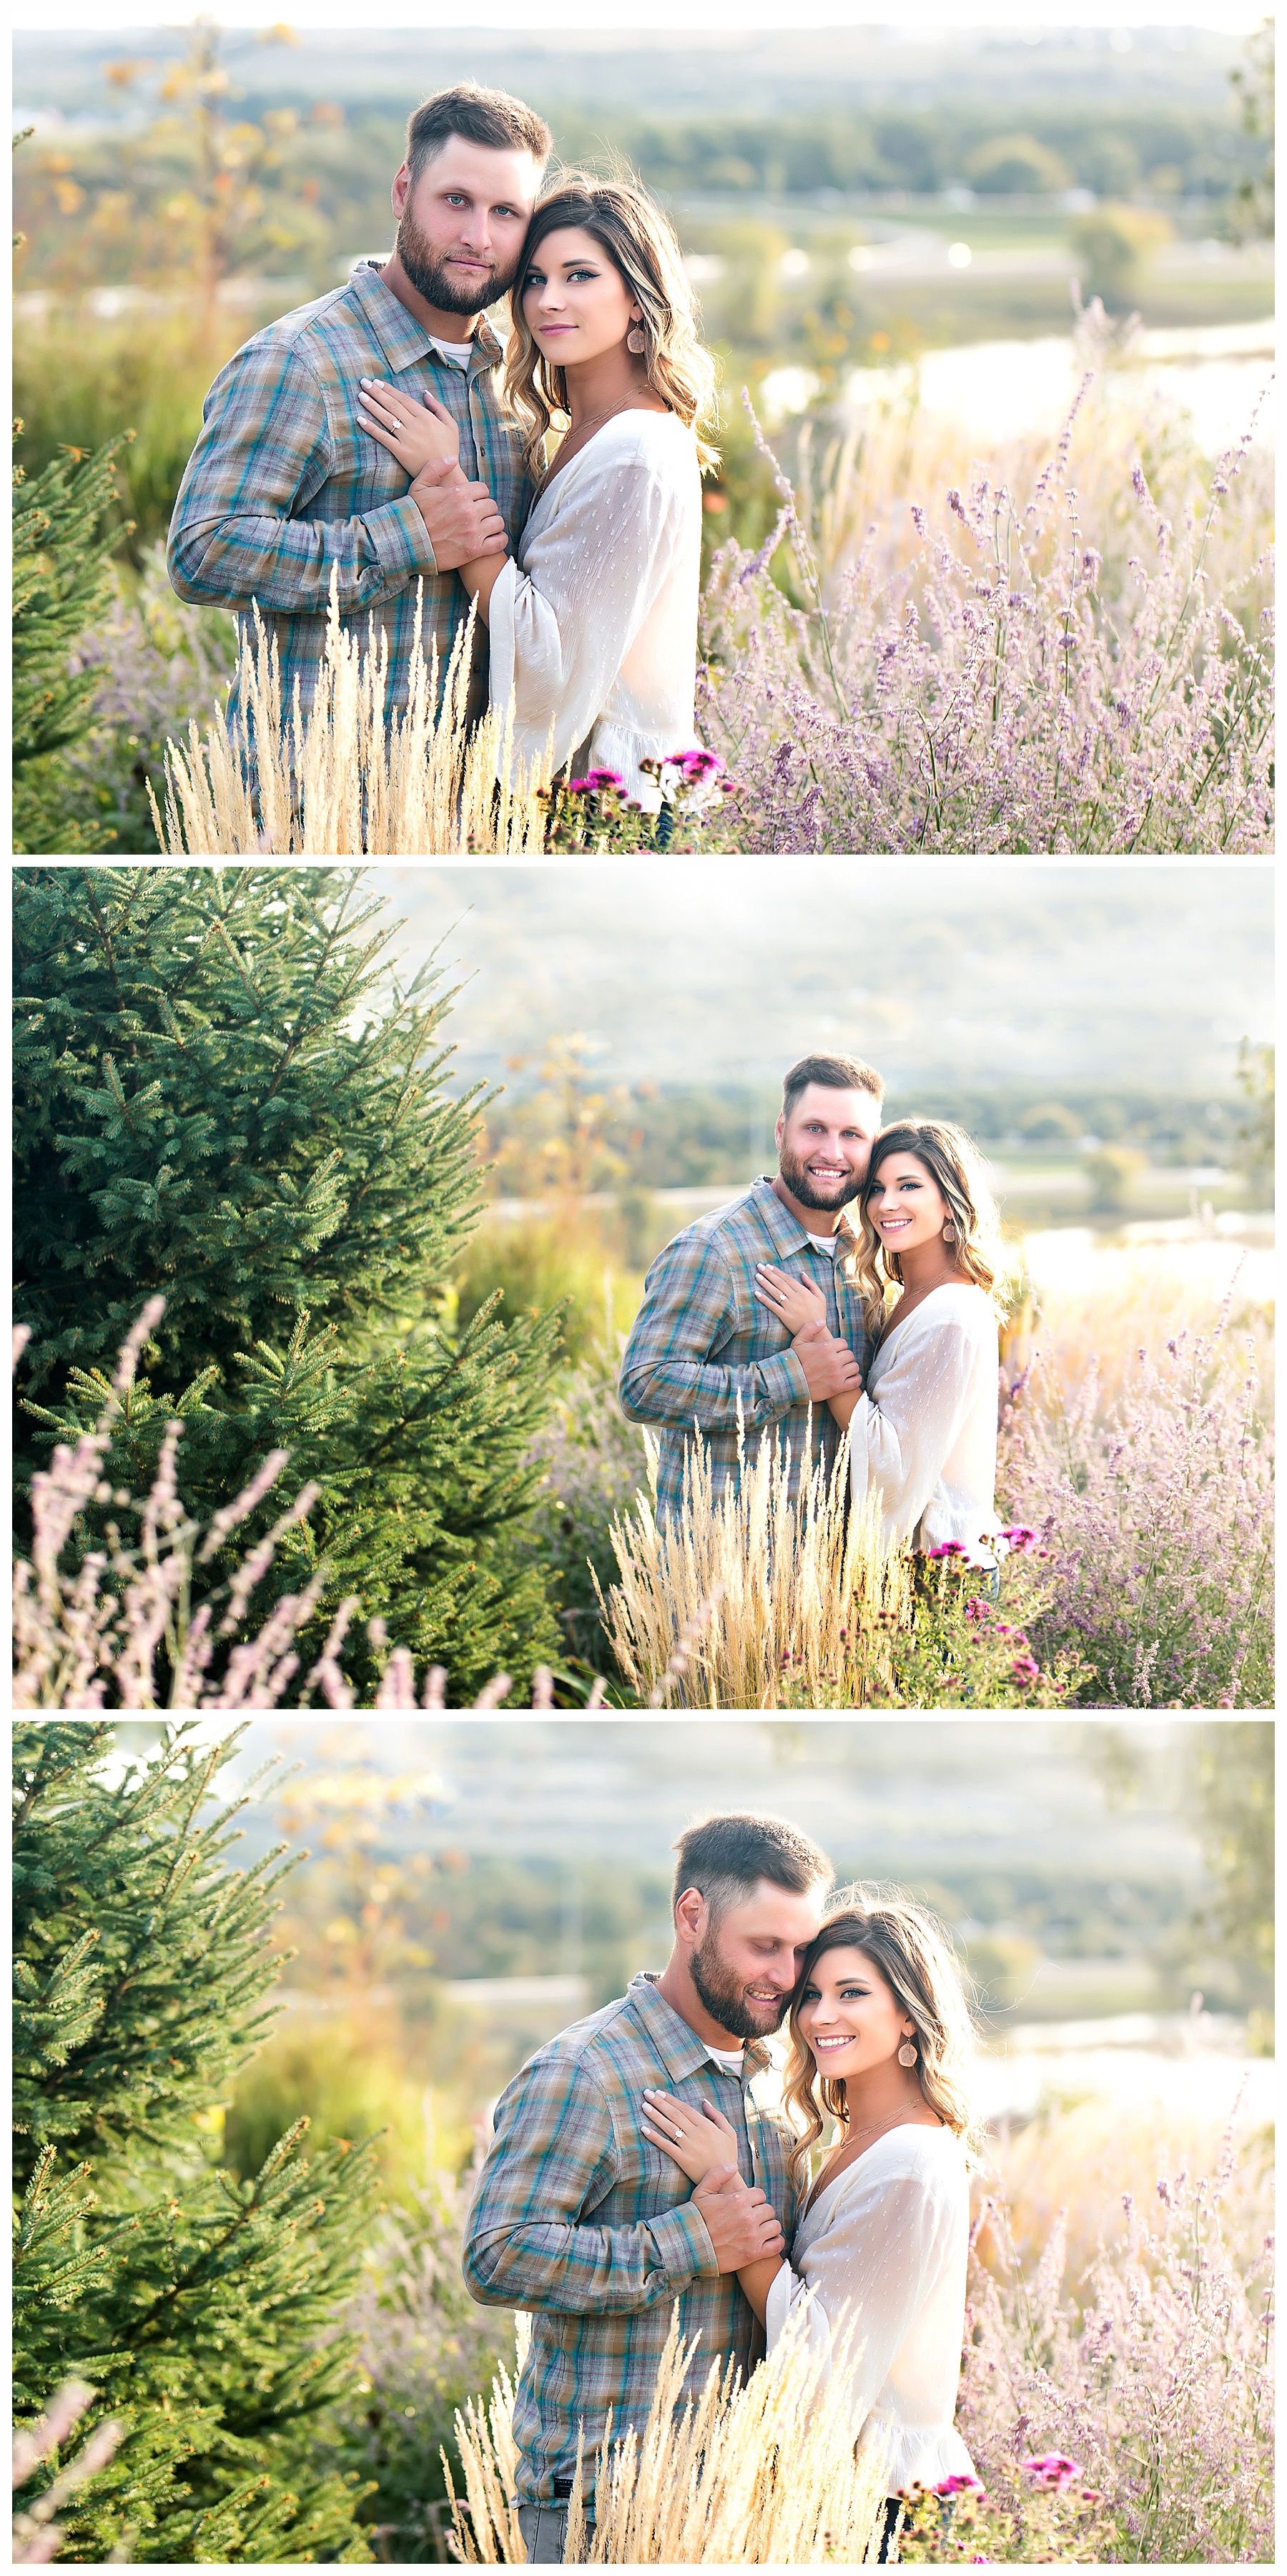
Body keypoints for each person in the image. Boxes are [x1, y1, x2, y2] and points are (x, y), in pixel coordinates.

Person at [461, 1814, 833, 2564]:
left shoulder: (773, 2079)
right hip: (600, 2515)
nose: (788, 1975)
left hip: (740, 2507)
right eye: (764, 1945)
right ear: (691, 1915)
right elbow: (496, 2255)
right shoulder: (586, 2071)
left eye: (801, 1949)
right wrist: (690, 2241)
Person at [167, 84, 550, 729]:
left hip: (472, 808)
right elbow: (202, 552)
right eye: (455, 201)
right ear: (403, 192)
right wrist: (405, 538)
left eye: (506, 212)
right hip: (316, 804)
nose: (477, 236)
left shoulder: (518, 379)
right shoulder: (301, 362)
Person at [352, 174, 716, 808]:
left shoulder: (635, 453)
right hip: (593, 794)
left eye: (580, 276)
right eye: (534, 280)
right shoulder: (583, 432)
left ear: (637, 297)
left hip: (615, 802)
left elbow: (547, 650)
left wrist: (446, 484)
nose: (548, 300)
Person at [641, 1891, 980, 2562]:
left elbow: (825, 2371)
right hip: (844, 2500)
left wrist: (726, 2196)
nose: (822, 2017)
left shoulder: (908, 2165)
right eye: (812, 1996)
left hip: (888, 2512)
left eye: (852, 1994)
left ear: (910, 2018)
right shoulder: (854, 2143)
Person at [617, 1053, 882, 1527]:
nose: (833, 1153)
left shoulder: (865, 1257)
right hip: (727, 1571)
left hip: (840, 1572)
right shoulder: (714, 1250)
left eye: (852, 1135)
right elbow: (644, 1385)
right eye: (815, 1129)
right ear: (782, 1131)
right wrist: (789, 1379)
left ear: (872, 1146)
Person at [753, 1118, 1005, 1570]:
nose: (886, 1205)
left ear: (951, 1202)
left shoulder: (951, 1315)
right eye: (875, 1189)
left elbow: (894, 1467)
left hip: (939, 1574)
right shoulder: (909, 1297)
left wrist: (818, 1340)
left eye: (909, 1186)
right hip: (918, 1569)